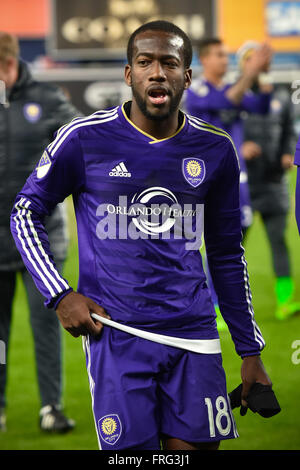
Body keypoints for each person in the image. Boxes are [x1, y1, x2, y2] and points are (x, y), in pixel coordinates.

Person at [10, 21, 274, 451]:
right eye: (145, 62)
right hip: (116, 334)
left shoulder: (215, 149)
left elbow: (227, 253)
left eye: (169, 63)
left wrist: (249, 349)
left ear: (186, 76)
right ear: (129, 73)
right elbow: (25, 212)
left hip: (195, 333)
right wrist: (61, 295)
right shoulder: (85, 138)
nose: (157, 72)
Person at [0, 32, 79, 432]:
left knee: (46, 325)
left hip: (40, 239)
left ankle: (51, 407)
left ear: (11, 63)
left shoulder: (47, 98)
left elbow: (81, 149)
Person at [184, 38, 273, 330]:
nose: (225, 60)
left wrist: (261, 76)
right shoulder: (197, 92)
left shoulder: (231, 88)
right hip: (203, 179)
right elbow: (230, 100)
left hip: (237, 179)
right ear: (205, 60)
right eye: (219, 55)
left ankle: (216, 300)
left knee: (231, 241)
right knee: (211, 243)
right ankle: (211, 304)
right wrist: (251, 72)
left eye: (226, 54)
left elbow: (260, 105)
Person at [238, 41, 300, 321]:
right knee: (229, 248)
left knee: (278, 241)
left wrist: (289, 152)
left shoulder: (281, 96)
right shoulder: (233, 97)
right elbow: (218, 132)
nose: (260, 63)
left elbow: (290, 131)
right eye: (252, 58)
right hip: (242, 186)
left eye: (262, 58)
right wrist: (239, 148)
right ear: (243, 64)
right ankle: (215, 306)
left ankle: (285, 302)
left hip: (274, 182)